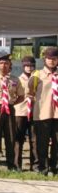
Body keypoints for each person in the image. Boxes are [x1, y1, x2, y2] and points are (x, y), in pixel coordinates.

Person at [33, 47, 58, 176]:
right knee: (42, 143)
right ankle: (42, 167)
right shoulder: (37, 75)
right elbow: (29, 92)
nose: (52, 61)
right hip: (43, 113)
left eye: (54, 59)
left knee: (57, 143)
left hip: (57, 114)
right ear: (45, 60)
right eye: (49, 58)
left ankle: (54, 167)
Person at [15, 56, 39, 172]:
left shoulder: (38, 79)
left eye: (31, 66)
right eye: (27, 66)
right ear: (23, 67)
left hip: (34, 112)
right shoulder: (17, 80)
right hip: (20, 111)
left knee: (35, 140)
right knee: (18, 139)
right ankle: (17, 165)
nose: (29, 68)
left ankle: (35, 166)